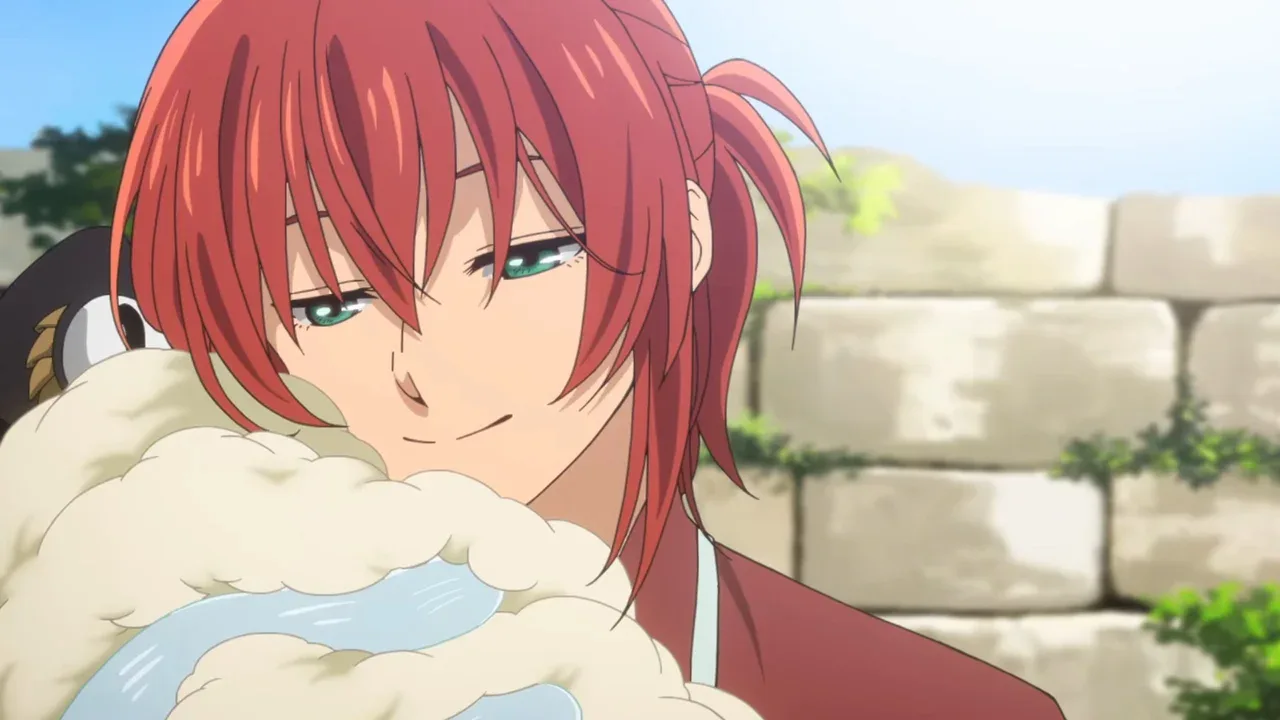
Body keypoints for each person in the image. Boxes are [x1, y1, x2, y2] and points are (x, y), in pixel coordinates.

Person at [4, 1, 1066, 717]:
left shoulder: (926, 708)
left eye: (524, 255)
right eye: (329, 302)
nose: (429, 364)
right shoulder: (161, 661)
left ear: (684, 230)